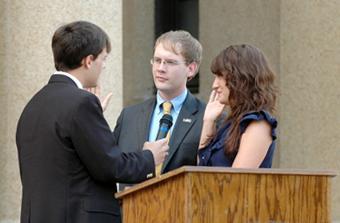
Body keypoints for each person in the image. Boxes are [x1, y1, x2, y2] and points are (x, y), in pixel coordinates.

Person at [16, 21, 168, 223]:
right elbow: (111, 166)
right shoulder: (81, 103)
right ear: (88, 60)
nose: (103, 65)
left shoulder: (33, 105)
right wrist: (149, 156)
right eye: (103, 59)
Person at [113, 30, 205, 190]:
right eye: (157, 60)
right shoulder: (129, 116)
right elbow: (112, 166)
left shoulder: (207, 117)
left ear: (191, 69)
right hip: (130, 211)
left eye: (170, 62)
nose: (160, 68)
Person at [198, 44, 278, 168]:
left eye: (220, 76)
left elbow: (236, 182)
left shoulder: (258, 124)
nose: (214, 85)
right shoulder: (230, 124)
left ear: (240, 78)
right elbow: (198, 169)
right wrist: (208, 121)